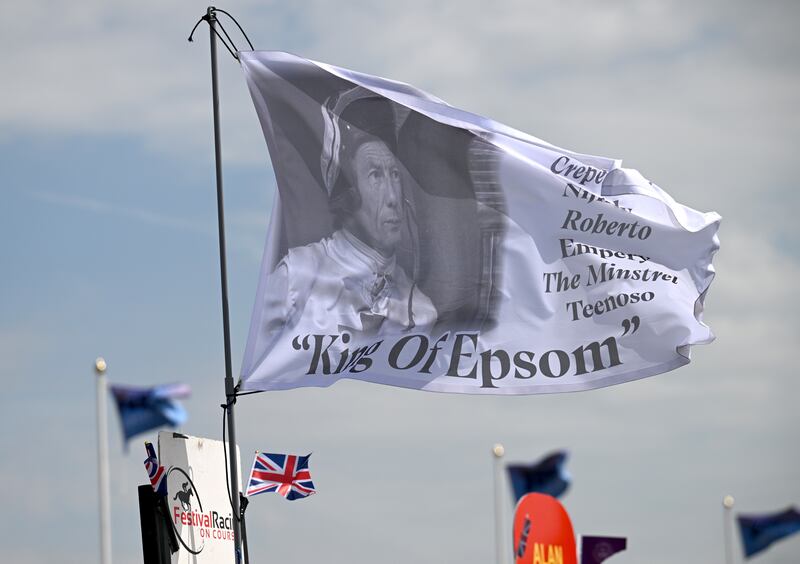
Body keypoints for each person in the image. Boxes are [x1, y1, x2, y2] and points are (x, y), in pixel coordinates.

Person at [259, 87, 437, 340]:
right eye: (375, 175)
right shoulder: (295, 279)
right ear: (348, 193)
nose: (393, 198)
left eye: (394, 174)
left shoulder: (421, 311)